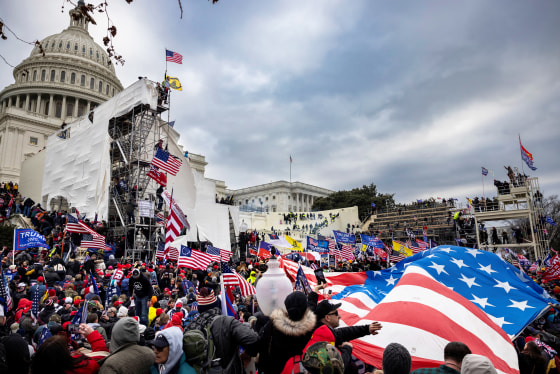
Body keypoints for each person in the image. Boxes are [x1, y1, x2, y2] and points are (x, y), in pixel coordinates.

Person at [30, 323, 108, 374]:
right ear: (63, 354)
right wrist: (91, 334)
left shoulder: (37, 368)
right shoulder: (80, 369)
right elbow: (102, 355)